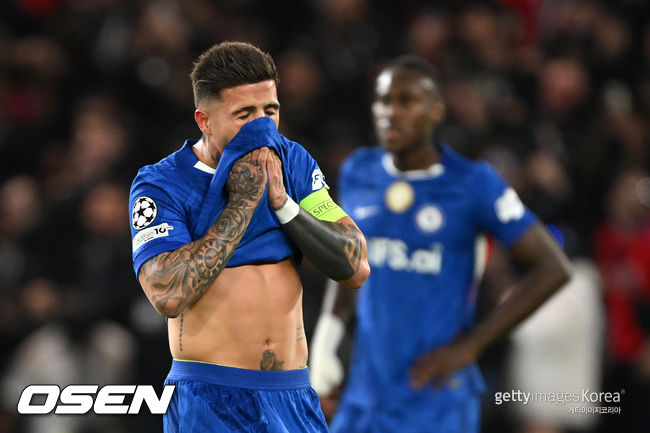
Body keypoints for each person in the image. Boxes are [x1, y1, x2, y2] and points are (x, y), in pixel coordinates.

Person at [309, 55, 572, 433]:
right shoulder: (358, 171)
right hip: (366, 395)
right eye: (384, 101)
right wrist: (326, 339)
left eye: (406, 101)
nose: (391, 112)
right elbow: (349, 259)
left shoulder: (473, 183)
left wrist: (472, 345)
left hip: (435, 398)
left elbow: (553, 267)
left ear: (436, 110)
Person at [128, 41, 369, 433]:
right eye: (244, 114)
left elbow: (355, 265)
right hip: (211, 396)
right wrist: (243, 203)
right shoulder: (162, 183)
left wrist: (283, 204)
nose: (262, 126)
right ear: (205, 120)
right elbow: (166, 293)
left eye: (270, 111)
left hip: (293, 395)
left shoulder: (292, 161)